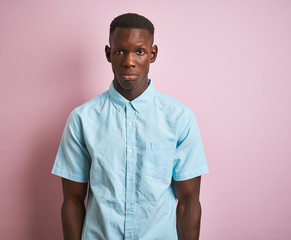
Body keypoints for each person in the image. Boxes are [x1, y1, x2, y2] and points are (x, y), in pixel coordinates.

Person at [52, 13, 209, 240]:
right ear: (108, 54)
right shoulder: (82, 119)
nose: (129, 61)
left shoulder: (179, 118)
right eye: (120, 51)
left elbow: (188, 202)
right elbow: (73, 201)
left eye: (140, 51)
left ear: (152, 54)